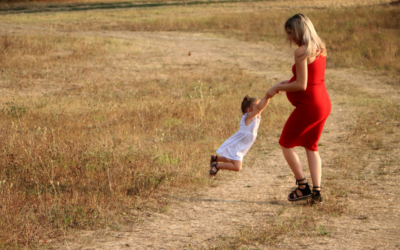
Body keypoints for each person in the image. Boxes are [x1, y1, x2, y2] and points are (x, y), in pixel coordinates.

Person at [267, 13, 331, 203]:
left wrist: (277, 87)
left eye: (290, 33)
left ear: (298, 31)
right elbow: (311, 79)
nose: (289, 38)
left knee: (286, 143)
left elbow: (302, 85)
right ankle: (316, 193)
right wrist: (285, 82)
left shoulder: (301, 52)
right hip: (323, 103)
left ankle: (303, 186)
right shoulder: (320, 48)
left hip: (309, 106)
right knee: (311, 147)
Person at [209, 94, 270, 178]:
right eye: (257, 106)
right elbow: (260, 107)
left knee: (232, 159)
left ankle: (216, 158)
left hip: (242, 146)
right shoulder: (248, 117)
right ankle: (217, 165)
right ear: (249, 110)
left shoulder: (256, 116)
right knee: (237, 167)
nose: (260, 108)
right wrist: (267, 96)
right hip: (238, 145)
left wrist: (267, 98)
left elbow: (261, 107)